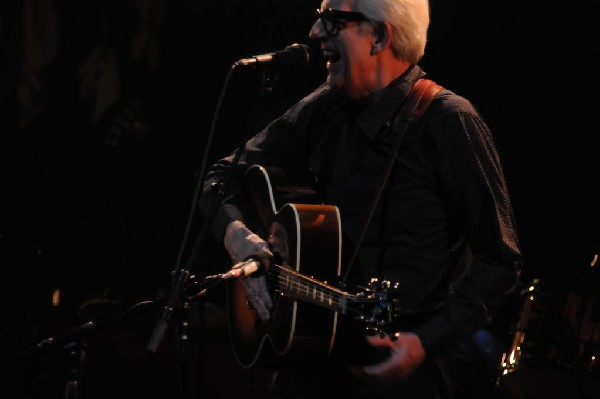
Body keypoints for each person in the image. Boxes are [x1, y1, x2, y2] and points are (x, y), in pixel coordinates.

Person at [199, 0, 523, 398]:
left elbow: (500, 259)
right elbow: (221, 176)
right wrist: (238, 239)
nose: (315, 32)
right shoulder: (325, 105)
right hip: (309, 363)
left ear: (380, 36)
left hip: (399, 377)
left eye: (333, 20)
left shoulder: (449, 120)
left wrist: (425, 342)